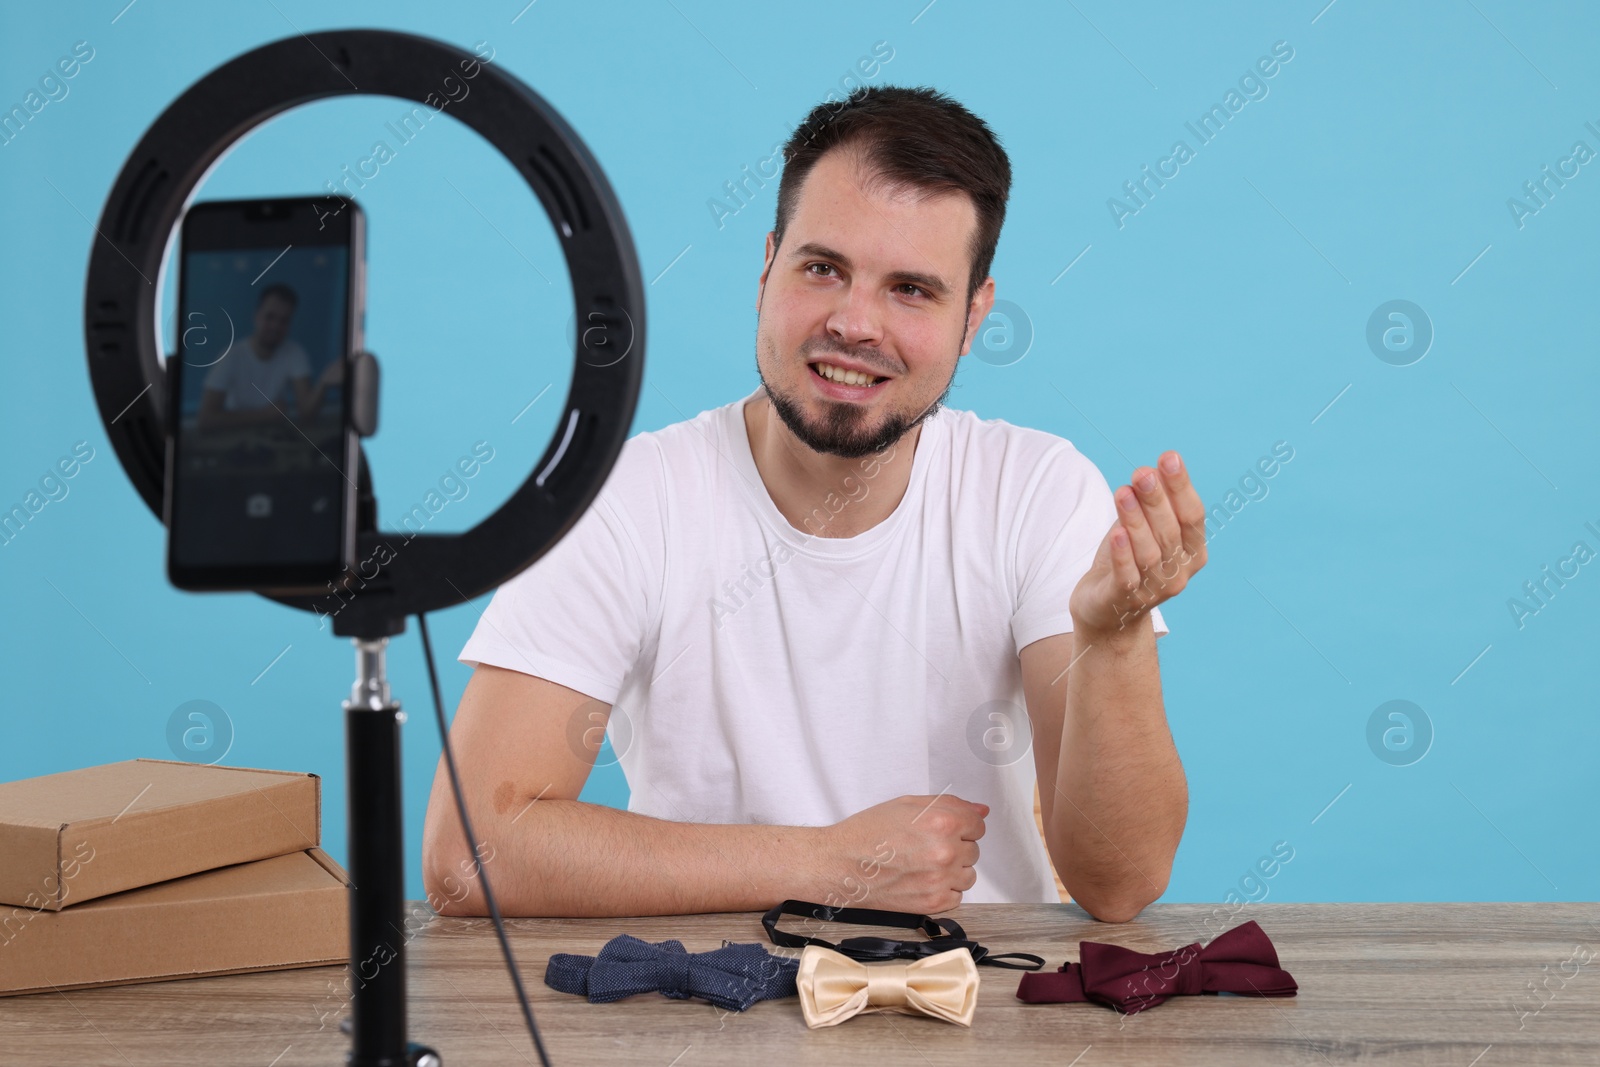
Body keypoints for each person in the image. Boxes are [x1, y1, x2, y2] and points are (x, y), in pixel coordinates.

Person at [422, 86, 1205, 921]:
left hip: (976, 1013)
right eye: (823, 268)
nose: (855, 323)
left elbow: (1120, 883)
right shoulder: (630, 501)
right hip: (695, 1012)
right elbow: (472, 854)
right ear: (766, 268)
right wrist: (827, 863)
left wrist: (1112, 635)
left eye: (911, 288)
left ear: (974, 315)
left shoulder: (1035, 491)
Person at [196, 283, 340, 431]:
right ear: (256, 316)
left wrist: (324, 383)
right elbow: (205, 420)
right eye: (270, 317)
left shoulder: (294, 352)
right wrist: (265, 415)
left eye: (284, 320)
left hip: (274, 434)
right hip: (236, 434)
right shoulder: (230, 355)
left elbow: (306, 414)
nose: (275, 326)